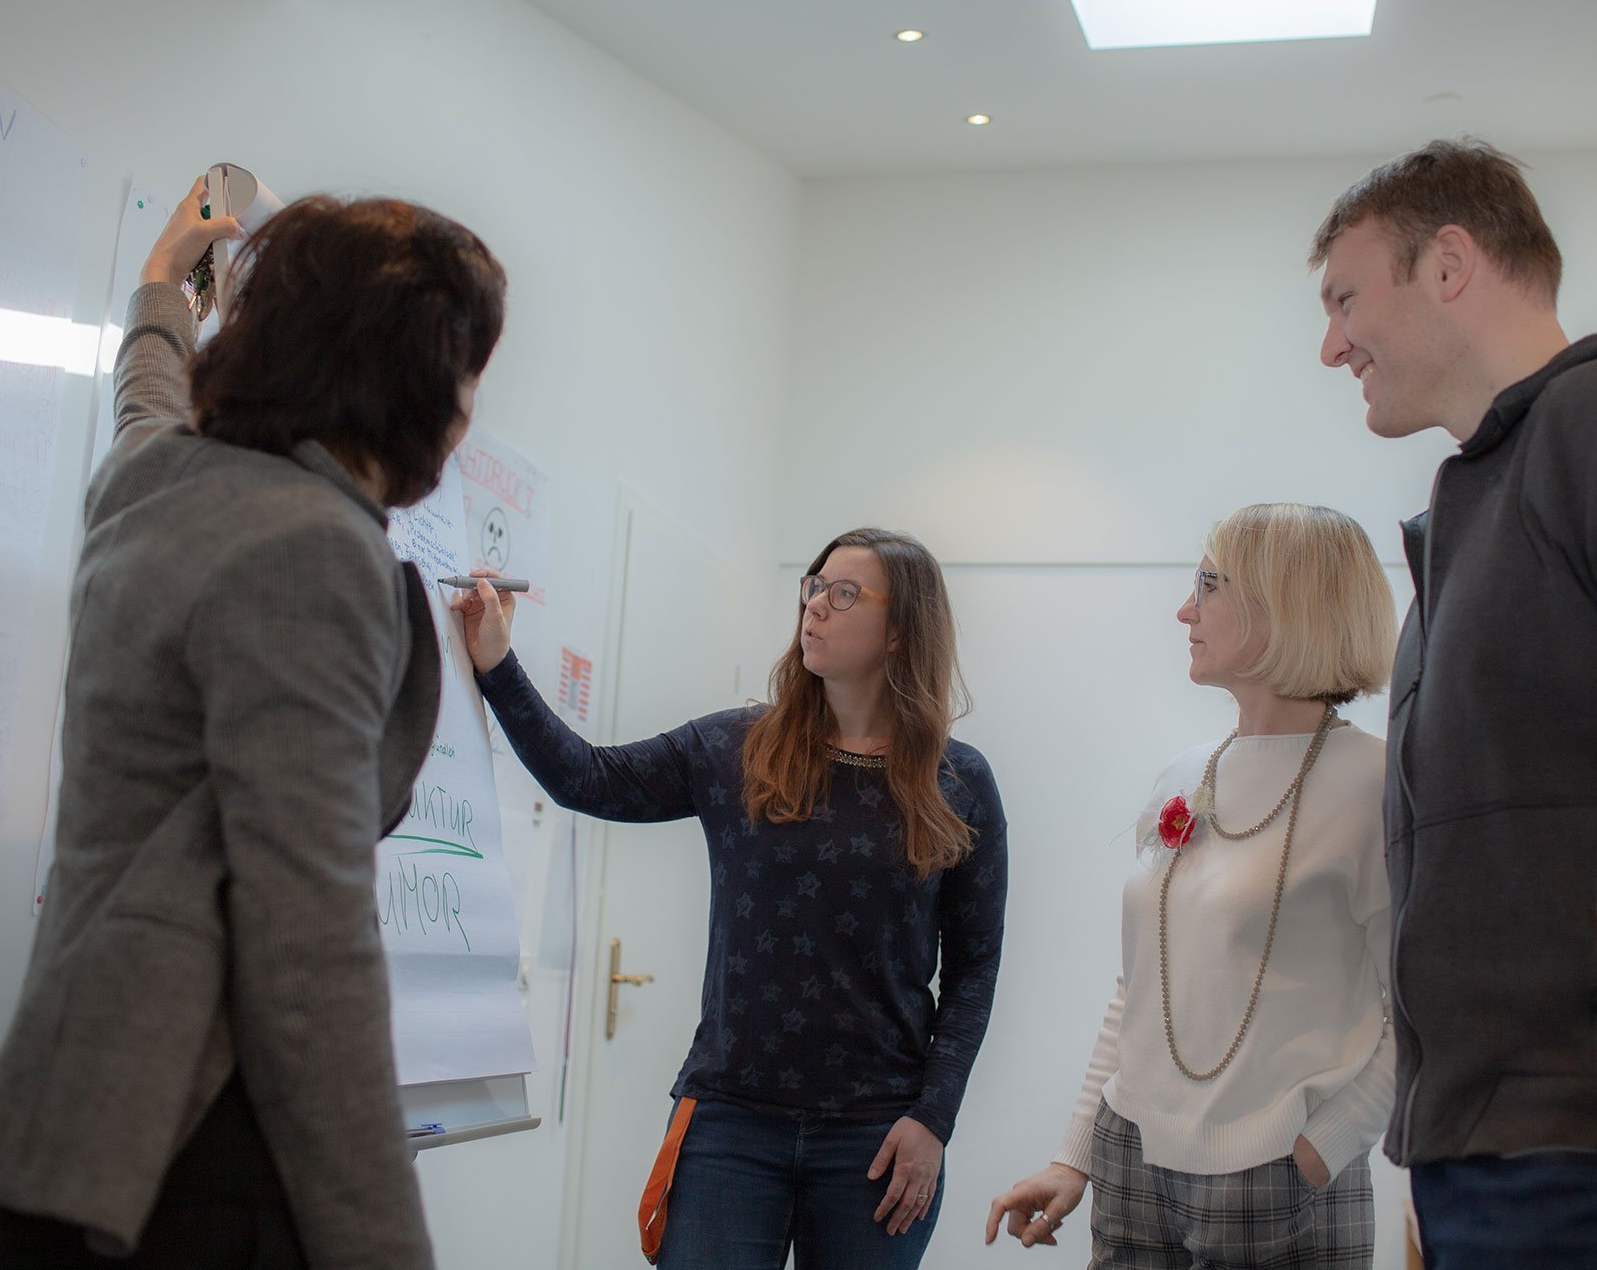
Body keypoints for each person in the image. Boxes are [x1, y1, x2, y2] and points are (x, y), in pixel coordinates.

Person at [0, 177, 507, 1269]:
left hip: (60, 1141)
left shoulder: (150, 485)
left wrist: (161, 290)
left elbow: (146, 405)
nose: (468, 406)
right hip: (195, 1160)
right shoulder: (312, 548)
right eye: (467, 369)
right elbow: (307, 947)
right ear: (407, 375)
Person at [454, 527, 1007, 1269]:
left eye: (845, 594)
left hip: (877, 1137)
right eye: (813, 587)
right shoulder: (737, 747)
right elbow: (585, 778)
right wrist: (495, 660)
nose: (816, 607)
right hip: (730, 1124)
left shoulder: (958, 783)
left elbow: (974, 970)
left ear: (902, 632)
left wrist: (933, 1119)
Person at [1309, 138, 1597, 1269]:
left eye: (1344, 297)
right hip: (1487, 1149)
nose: (1330, 344)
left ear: (1448, 265)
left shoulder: (1581, 430)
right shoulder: (1470, 510)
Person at [987, 503, 1397, 1268]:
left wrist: (1323, 1147)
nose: (1185, 609)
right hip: (1130, 1155)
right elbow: (1140, 987)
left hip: (1276, 1173)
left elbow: (1419, 1001)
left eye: (1208, 584)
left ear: (1288, 601)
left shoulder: (1377, 783)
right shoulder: (1186, 772)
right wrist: (1076, 1152)